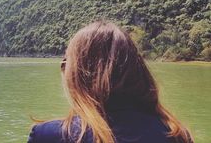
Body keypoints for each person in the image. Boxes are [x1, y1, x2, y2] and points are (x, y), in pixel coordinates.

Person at [27, 21, 193, 143]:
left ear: (77, 75)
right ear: (137, 71)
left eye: (66, 64)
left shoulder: (50, 136)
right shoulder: (177, 135)